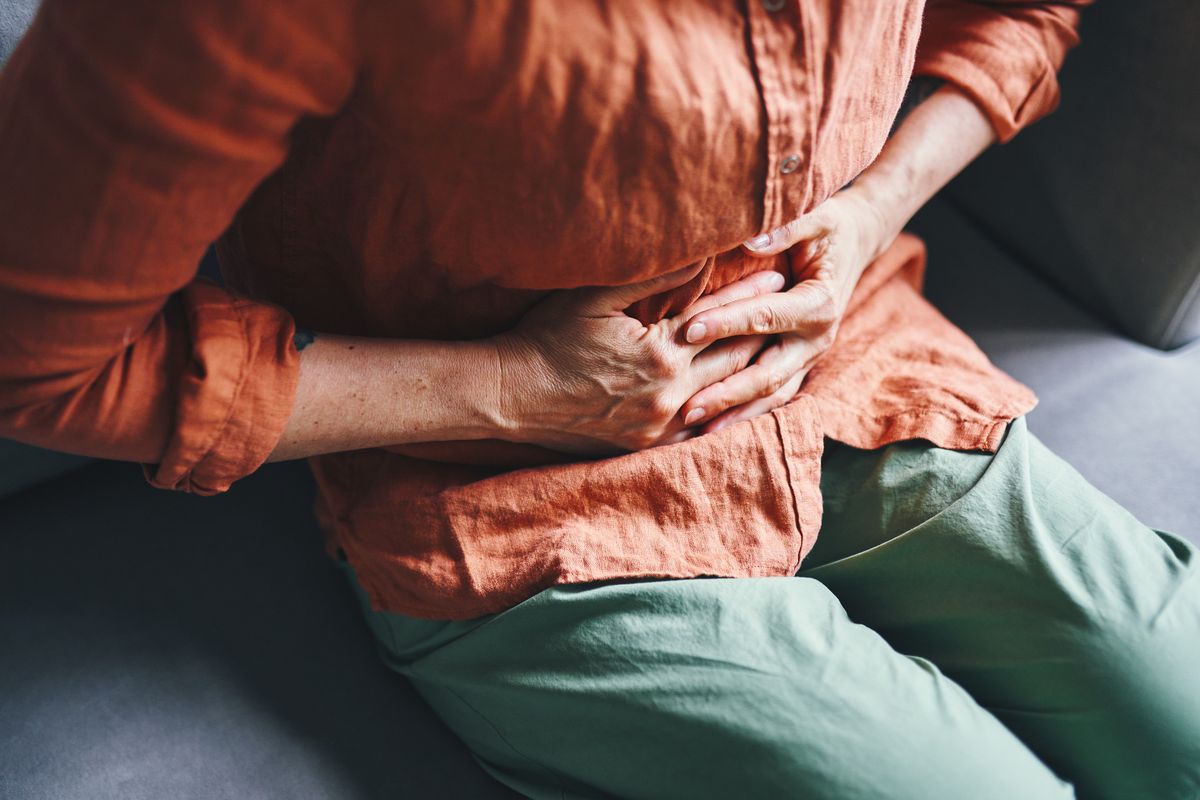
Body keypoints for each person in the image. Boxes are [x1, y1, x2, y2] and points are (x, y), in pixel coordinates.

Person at [0, 1, 1196, 797]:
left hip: (849, 362)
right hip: (510, 502)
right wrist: (522, 388)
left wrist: (873, 203)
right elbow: (36, 362)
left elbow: (1024, 15)